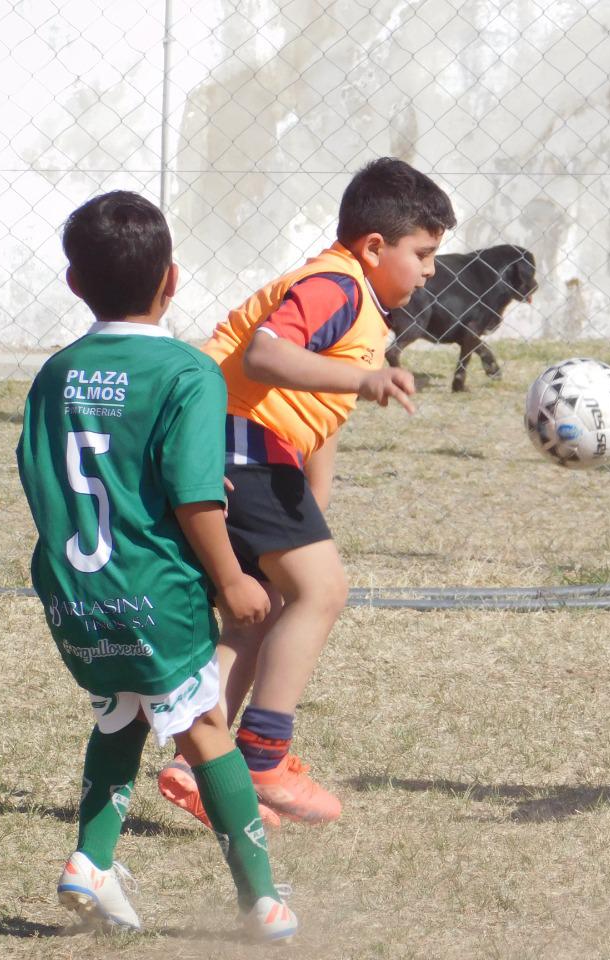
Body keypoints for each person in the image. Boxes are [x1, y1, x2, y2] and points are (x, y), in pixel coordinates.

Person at [16, 191, 297, 940]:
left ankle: (90, 860)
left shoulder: (55, 374)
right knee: (205, 725)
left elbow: (48, 476)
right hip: (156, 593)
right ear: (172, 279)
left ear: (76, 284)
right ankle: (262, 901)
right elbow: (197, 496)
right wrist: (235, 580)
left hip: (76, 593)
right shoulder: (188, 372)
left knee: (123, 711)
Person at [156, 157, 457, 828]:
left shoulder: (361, 306)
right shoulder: (334, 284)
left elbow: (313, 410)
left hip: (230, 446)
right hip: (236, 439)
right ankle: (263, 755)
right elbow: (266, 357)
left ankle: (198, 763)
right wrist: (365, 382)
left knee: (253, 612)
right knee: (322, 592)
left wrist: (312, 503)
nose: (432, 269)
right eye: (424, 253)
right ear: (374, 247)